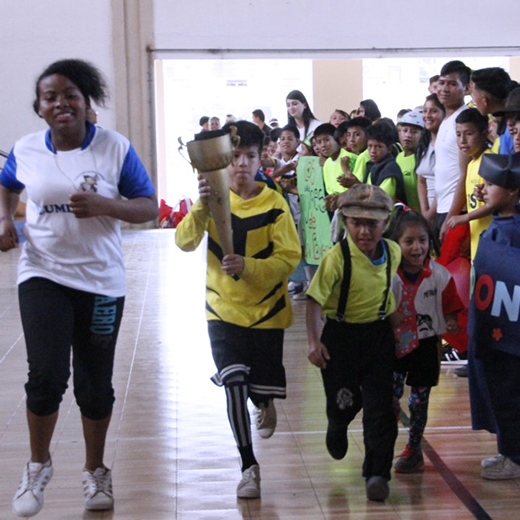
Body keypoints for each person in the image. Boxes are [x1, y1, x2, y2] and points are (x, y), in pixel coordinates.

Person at [0, 59, 157, 517]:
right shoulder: (25, 149)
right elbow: (5, 186)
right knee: (46, 376)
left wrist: (108, 204)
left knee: (94, 385)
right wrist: (5, 220)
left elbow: (149, 208)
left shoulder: (113, 147)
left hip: (102, 282)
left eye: (70, 95)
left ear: (86, 103)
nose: (61, 103)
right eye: (51, 97)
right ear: (39, 107)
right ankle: (37, 466)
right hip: (42, 274)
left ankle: (95, 472)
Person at [175, 120, 301, 499]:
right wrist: (201, 205)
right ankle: (248, 465)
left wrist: (250, 268)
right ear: (222, 161)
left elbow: (289, 258)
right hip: (222, 310)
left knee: (257, 390)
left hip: (266, 314)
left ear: (261, 157)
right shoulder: (210, 199)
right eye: (234, 157)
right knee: (232, 384)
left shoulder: (274, 204)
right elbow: (183, 241)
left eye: (250, 156)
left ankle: (264, 402)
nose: (242, 165)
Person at [305, 184, 401, 502]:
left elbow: (387, 295)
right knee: (345, 401)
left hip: (377, 337)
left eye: (372, 223)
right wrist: (314, 342)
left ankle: (377, 473)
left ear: (385, 223)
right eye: (356, 222)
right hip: (339, 338)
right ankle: (338, 420)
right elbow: (314, 301)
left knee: (381, 408)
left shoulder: (393, 253)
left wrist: (398, 334)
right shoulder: (336, 259)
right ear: (345, 221)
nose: (364, 230)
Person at [466, 152, 520, 480]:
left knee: (510, 390)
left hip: (507, 331)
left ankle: (519, 457)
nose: (484, 188)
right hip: (491, 325)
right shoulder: (501, 224)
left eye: (492, 184)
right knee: (495, 389)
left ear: (512, 191)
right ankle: (508, 450)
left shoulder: (513, 233)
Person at [387, 210, 462, 473]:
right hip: (393, 347)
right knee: (389, 397)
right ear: (395, 243)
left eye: (422, 240)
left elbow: (450, 301)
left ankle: (414, 448)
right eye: (408, 241)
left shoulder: (439, 274)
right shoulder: (388, 273)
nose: (416, 247)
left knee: (419, 401)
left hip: (427, 346)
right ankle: (384, 444)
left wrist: (451, 319)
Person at [441, 108, 492, 258]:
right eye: (458, 134)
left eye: (469, 134)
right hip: (476, 242)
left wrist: (464, 218)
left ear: (484, 134)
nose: (462, 140)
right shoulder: (470, 164)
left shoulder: (490, 162)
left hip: (490, 243)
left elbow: (495, 204)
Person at [434, 60, 471, 231]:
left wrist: (451, 218)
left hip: (457, 211)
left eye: (452, 84)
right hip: (442, 207)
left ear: (466, 88)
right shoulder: (445, 121)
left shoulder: (464, 120)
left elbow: (465, 173)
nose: (444, 89)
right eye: (441, 83)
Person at [469, 67, 519, 155]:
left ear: (485, 100)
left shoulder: (511, 130)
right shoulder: (503, 126)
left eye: (474, 98)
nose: (474, 102)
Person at [416, 95, 445, 225]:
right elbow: (421, 180)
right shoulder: (424, 143)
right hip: (427, 213)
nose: (427, 115)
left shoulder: (447, 143)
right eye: (425, 111)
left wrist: (430, 213)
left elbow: (446, 183)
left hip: (444, 209)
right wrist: (424, 211)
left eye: (433, 111)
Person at [362, 122, 407, 204]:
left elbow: (381, 200)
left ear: (389, 148)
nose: (373, 151)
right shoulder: (371, 165)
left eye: (378, 147)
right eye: (370, 146)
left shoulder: (390, 169)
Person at [313, 123, 356, 197]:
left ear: (336, 139)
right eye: (319, 142)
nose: (323, 145)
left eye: (327, 140)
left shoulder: (350, 158)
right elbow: (330, 191)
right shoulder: (327, 164)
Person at [396, 110, 424, 211]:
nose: (408, 135)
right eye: (405, 131)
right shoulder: (398, 157)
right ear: (399, 133)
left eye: (414, 132)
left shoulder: (422, 159)